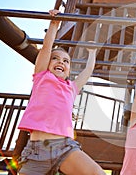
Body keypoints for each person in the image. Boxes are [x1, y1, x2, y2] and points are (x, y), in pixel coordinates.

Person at [17, 9, 106, 175]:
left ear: (69, 70)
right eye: (55, 58)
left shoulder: (71, 88)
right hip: (36, 150)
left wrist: (92, 53)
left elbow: (87, 72)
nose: (60, 62)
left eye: (66, 61)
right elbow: (46, 49)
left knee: (97, 173)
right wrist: (54, 25)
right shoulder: (42, 77)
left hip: (64, 147)